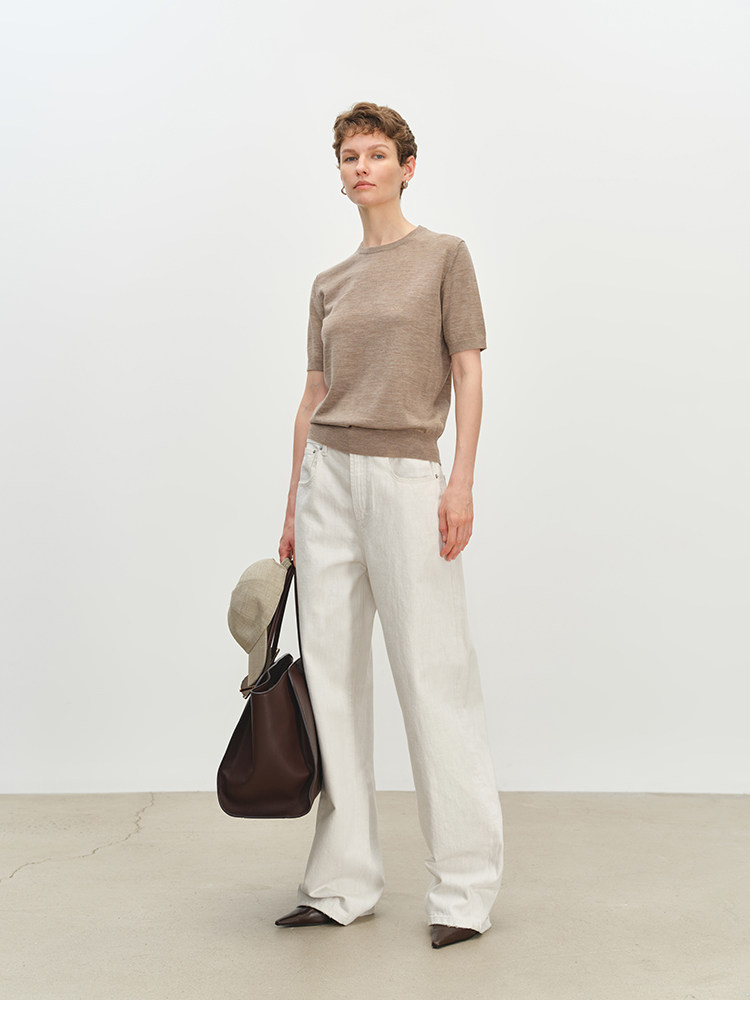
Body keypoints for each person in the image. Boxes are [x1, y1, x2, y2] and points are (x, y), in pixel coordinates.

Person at [276, 102, 503, 949]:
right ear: (339, 175)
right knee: (332, 682)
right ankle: (341, 884)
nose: (361, 167)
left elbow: (467, 374)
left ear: (408, 167)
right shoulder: (328, 283)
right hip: (326, 480)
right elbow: (311, 398)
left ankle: (464, 891)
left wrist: (461, 481)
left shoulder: (445, 257)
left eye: (375, 154)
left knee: (435, 677)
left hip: (409, 477)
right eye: (349, 156)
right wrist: (292, 507)